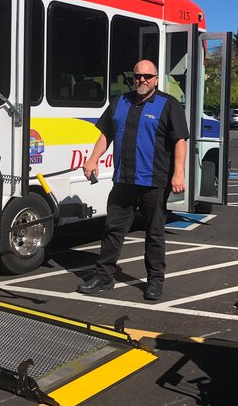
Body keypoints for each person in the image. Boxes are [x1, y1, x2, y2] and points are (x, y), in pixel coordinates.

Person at [76, 59, 189, 301]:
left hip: (154, 181)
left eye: (148, 76)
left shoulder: (168, 105)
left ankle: (155, 281)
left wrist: (178, 173)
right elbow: (106, 134)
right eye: (138, 76)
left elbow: (180, 139)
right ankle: (104, 277)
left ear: (156, 80)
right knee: (112, 229)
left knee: (154, 233)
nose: (142, 80)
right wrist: (92, 159)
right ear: (133, 77)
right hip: (124, 181)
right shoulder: (119, 103)